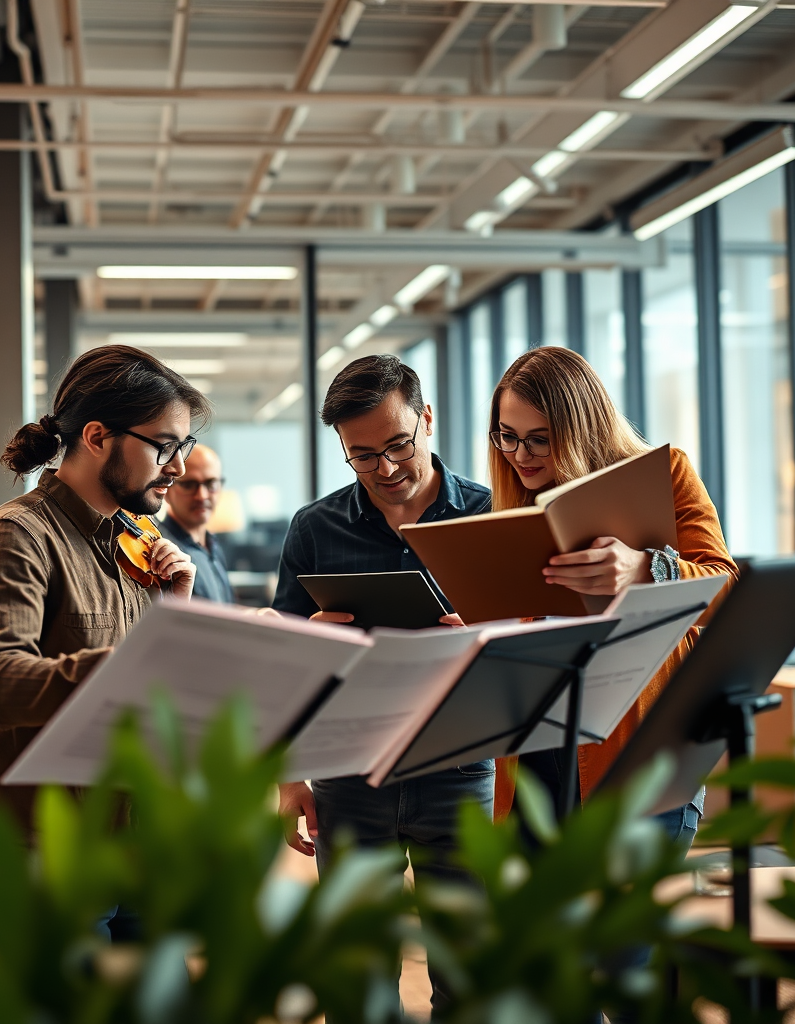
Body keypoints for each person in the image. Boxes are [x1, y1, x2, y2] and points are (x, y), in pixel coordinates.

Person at [0, 345, 209, 933]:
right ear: (96, 437)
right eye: (164, 446)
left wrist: (174, 612)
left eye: (183, 447)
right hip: (31, 851)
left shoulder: (136, 544)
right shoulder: (17, 537)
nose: (178, 468)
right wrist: (128, 666)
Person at [273, 353, 494, 1016]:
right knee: (356, 980)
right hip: (349, 773)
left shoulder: (492, 516)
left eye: (399, 444)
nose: (387, 468)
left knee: (471, 975)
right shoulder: (315, 527)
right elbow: (284, 661)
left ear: (427, 419)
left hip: (460, 768)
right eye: (362, 456)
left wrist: (486, 638)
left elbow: (539, 641)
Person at [487, 345, 738, 839]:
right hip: (530, 761)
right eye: (507, 436)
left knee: (631, 892)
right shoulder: (514, 505)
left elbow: (725, 587)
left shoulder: (666, 474)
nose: (519, 455)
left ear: (579, 428)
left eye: (539, 439)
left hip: (642, 755)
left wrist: (644, 568)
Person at [160, 443, 235, 603]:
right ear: (167, 489)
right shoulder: (161, 551)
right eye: (188, 485)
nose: (202, 495)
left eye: (211, 484)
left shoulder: (213, 545)